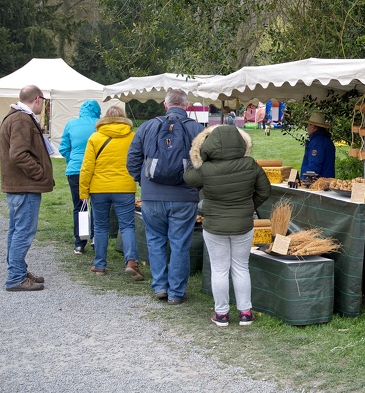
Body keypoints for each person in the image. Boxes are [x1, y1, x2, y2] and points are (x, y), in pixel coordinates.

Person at [183, 125, 271, 327]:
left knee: (220, 269)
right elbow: (265, 191)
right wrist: (249, 207)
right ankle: (245, 313)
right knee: (241, 267)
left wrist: (196, 155)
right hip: (243, 224)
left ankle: (221, 314)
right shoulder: (250, 165)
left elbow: (187, 177)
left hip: (214, 225)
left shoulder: (205, 169)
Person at [127, 89, 204, 304]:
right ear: (187, 106)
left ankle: (160, 286)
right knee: (180, 244)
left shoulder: (148, 126)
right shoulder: (196, 129)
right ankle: (176, 293)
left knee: (155, 240)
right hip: (184, 196)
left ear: (165, 104)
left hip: (152, 196)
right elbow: (206, 162)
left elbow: (132, 158)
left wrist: (143, 181)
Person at [0, 85, 55, 291]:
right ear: (37, 99)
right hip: (25, 186)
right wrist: (39, 173)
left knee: (16, 231)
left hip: (19, 185)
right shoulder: (22, 118)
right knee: (23, 232)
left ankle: (19, 270)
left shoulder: (16, 116)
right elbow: (19, 154)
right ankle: (15, 278)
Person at [79, 105, 144, 280]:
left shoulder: (95, 137)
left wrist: (83, 192)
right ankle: (131, 262)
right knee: (127, 226)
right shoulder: (132, 137)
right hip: (124, 187)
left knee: (100, 227)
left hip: (99, 189)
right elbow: (138, 161)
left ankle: (100, 265)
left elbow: (86, 168)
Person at [59, 99, 101, 254]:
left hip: (75, 170)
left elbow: (63, 148)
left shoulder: (71, 124)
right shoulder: (100, 124)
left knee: (79, 205)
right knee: (97, 205)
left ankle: (79, 242)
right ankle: (96, 237)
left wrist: (73, 160)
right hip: (96, 170)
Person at [300, 111, 335, 178]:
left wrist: (306, 181)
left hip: (317, 184)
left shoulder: (317, 142)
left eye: (308, 125)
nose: (307, 127)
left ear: (313, 127)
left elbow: (314, 165)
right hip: (326, 181)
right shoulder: (327, 140)